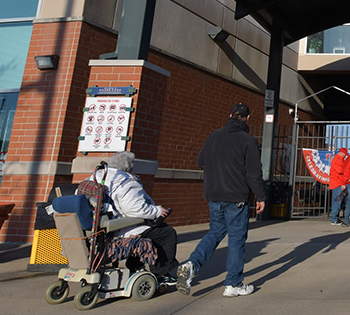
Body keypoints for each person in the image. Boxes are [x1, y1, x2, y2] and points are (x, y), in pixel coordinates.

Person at [177, 103, 266, 298]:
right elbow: (254, 173)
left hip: (214, 194)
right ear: (248, 119)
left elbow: (200, 161)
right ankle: (233, 284)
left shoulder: (213, 136)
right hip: (236, 197)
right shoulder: (248, 140)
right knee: (236, 240)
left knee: (215, 232)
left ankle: (192, 265)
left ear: (229, 115)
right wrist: (260, 196)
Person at [78, 151, 179, 282]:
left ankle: (136, 266)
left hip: (95, 228)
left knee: (151, 230)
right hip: (119, 228)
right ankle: (161, 273)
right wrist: (157, 211)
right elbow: (135, 209)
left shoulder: (93, 177)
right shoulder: (125, 181)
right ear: (128, 168)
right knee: (166, 233)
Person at [329, 147, 348, 226]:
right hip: (337, 183)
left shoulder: (338, 159)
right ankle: (334, 219)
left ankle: (335, 218)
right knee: (337, 201)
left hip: (336, 183)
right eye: (345, 154)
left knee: (337, 201)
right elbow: (340, 171)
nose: (345, 156)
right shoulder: (338, 160)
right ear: (342, 153)